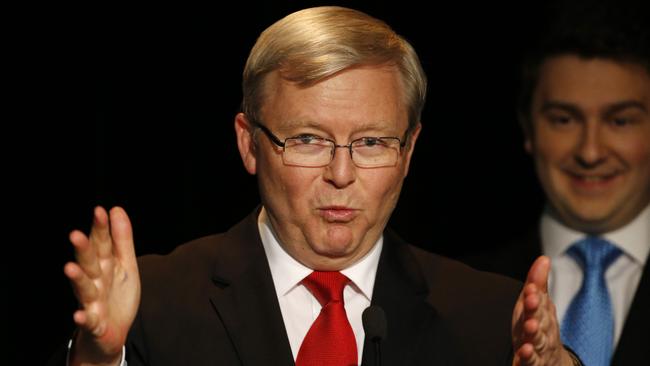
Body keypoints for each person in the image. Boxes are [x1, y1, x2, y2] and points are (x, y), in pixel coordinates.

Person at [57, 6, 578, 366]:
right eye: (308, 140)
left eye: (372, 142)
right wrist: (97, 360)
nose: (342, 175)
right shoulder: (154, 304)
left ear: (410, 151)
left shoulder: (492, 319)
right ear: (249, 144)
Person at [462, 1, 650, 365]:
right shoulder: (459, 290)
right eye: (564, 120)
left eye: (621, 121)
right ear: (528, 128)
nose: (591, 152)